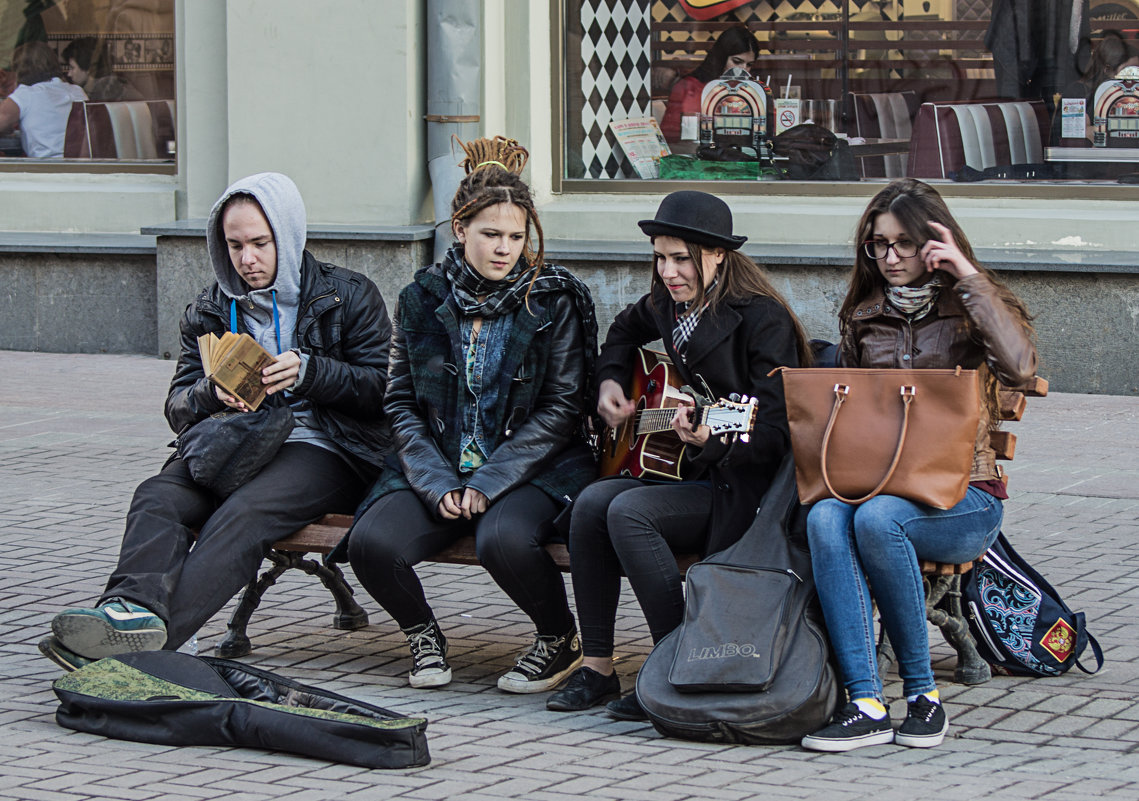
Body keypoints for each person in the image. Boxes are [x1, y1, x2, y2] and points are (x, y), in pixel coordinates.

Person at [40, 172, 392, 669]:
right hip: (235, 441)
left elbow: (382, 394)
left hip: (327, 447)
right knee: (158, 496)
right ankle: (125, 614)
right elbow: (177, 408)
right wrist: (211, 392)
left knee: (242, 514)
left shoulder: (349, 295)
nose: (247, 259)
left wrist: (312, 373)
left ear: (288, 235)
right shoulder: (210, 308)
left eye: (260, 243)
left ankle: (145, 654)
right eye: (234, 245)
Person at [343, 136, 599, 693]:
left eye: (515, 236)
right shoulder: (421, 297)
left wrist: (487, 481)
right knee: (370, 541)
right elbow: (402, 402)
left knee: (501, 540)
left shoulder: (552, 300)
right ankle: (422, 634)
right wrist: (437, 484)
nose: (504, 248)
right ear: (459, 230)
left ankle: (559, 639)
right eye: (490, 234)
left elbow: (562, 409)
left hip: (536, 465)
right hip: (440, 459)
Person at [546, 190, 812, 719]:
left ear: (717, 255)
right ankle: (597, 667)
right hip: (699, 473)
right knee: (591, 503)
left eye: (681, 258)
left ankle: (677, 663)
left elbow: (778, 427)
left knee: (628, 511)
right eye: (660, 257)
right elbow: (622, 332)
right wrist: (611, 385)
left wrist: (711, 438)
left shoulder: (763, 319)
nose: (668, 271)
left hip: (752, 490)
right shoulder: (670, 307)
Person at [800, 178, 1037, 752]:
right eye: (878, 245)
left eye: (903, 243)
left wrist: (965, 273)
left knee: (880, 519)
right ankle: (866, 702)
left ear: (934, 240)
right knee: (826, 517)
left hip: (965, 499)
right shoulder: (864, 316)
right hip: (881, 486)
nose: (890, 258)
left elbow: (1021, 368)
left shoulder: (970, 308)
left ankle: (924, 697)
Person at [659, 25, 760, 143]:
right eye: (737, 62)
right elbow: (671, 136)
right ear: (721, 57)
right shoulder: (689, 87)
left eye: (749, 65)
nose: (743, 70)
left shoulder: (748, 91)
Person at [0, 41, 86, 157]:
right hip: (82, 167)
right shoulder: (77, 91)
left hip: (46, 168)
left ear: (19, 69)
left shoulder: (25, 95)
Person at [1054, 31, 1139, 143]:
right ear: (1107, 70)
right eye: (1128, 71)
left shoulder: (1132, 97)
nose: (1133, 77)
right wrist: (1083, 131)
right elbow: (1061, 135)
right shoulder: (1078, 92)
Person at [62, 36, 141, 101]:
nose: (69, 74)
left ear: (88, 68)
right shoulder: (89, 92)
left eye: (72, 68)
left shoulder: (110, 92)